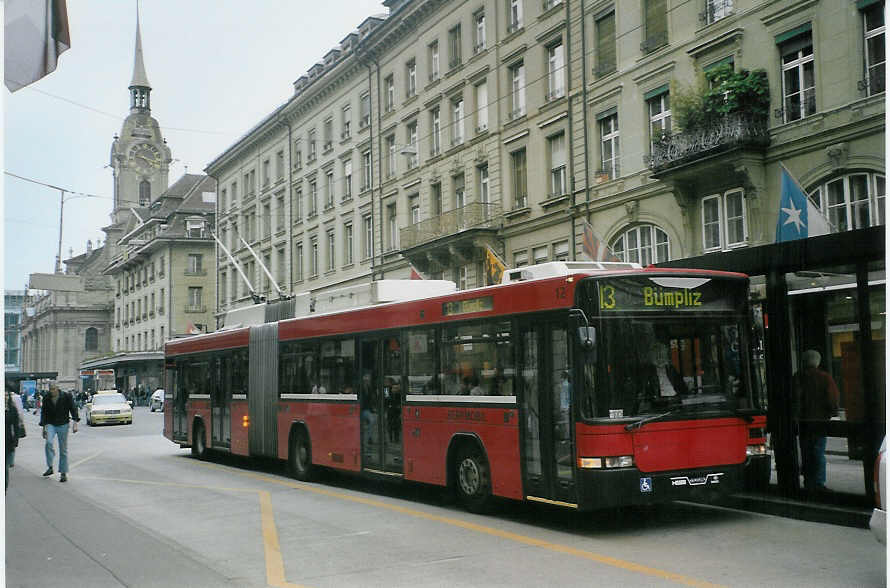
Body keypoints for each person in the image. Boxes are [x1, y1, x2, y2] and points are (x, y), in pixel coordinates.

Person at [793, 349, 839, 493]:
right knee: (818, 452)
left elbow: (794, 399)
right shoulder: (825, 378)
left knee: (806, 452)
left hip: (803, 422)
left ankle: (808, 481)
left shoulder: (797, 378)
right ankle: (818, 482)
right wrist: (831, 413)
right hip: (819, 421)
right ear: (818, 362)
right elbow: (832, 399)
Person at [39, 383, 80, 483]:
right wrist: (44, 427)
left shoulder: (66, 396)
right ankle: (50, 466)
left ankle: (63, 472)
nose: (52, 391)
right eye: (50, 389)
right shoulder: (46, 397)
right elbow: (44, 412)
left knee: (63, 449)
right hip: (50, 423)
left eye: (53, 389)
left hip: (63, 424)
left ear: (58, 388)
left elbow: (73, 409)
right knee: (48, 443)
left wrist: (75, 423)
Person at [6, 387, 25, 468]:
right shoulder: (17, 397)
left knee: (11, 441)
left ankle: (10, 461)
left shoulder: (14, 402)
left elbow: (19, 411)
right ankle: (11, 461)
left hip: (11, 427)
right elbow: (20, 411)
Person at [6, 390, 20, 492]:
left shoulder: (12, 409)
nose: (4, 397)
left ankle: (4, 487)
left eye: (6, 395)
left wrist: (16, 440)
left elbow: (16, 426)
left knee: (4, 467)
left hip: (7, 441)